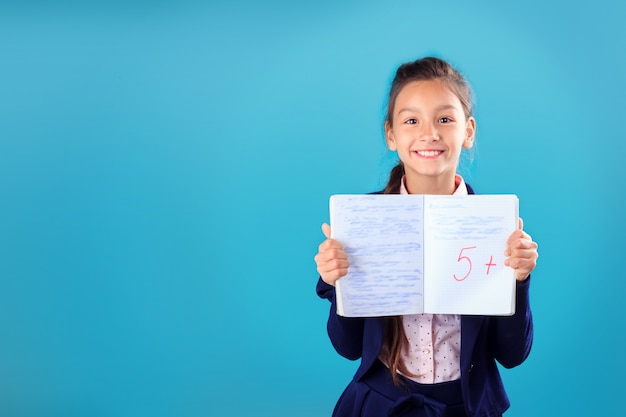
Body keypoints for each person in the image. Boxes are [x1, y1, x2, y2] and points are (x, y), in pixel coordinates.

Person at [314, 57, 539, 417]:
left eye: (445, 119)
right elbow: (348, 347)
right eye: (412, 120)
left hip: (464, 405)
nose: (429, 133)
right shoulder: (361, 222)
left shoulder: (495, 225)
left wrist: (519, 279)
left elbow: (513, 355)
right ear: (391, 134)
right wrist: (338, 282)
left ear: (468, 132)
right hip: (381, 404)